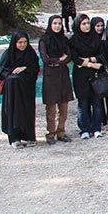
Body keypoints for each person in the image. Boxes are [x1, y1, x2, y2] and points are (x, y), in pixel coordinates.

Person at [0, 32, 40, 148]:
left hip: (26, 91)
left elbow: (35, 69)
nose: (23, 45)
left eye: (25, 42)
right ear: (14, 43)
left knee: (27, 113)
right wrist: (14, 76)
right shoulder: (8, 54)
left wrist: (25, 68)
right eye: (20, 42)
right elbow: (1, 73)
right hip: (13, 93)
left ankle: (29, 137)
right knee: (14, 113)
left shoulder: (30, 53)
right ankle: (14, 138)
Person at [38, 15, 75, 144]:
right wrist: (60, 60)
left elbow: (69, 57)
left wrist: (58, 61)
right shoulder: (44, 40)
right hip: (50, 77)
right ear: (50, 24)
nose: (57, 26)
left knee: (64, 106)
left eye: (59, 23)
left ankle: (61, 131)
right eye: (55, 23)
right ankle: (50, 133)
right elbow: (45, 60)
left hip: (63, 76)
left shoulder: (64, 39)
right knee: (51, 107)